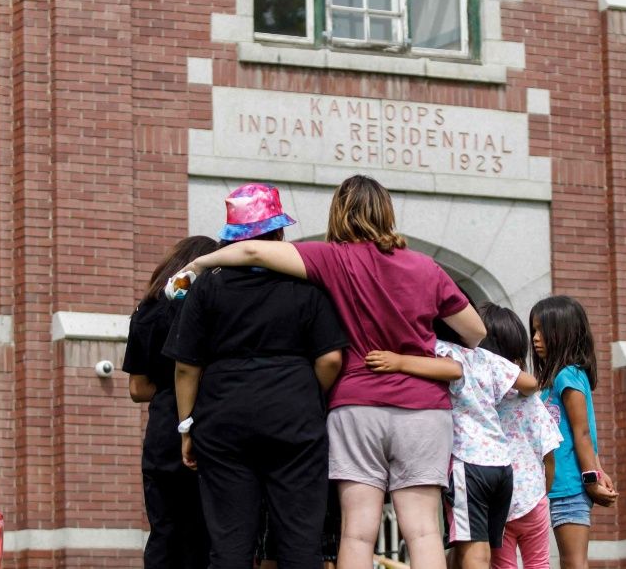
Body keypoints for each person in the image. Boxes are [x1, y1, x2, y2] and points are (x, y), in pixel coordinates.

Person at [186, 174, 487, 569]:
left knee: (356, 532)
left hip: (355, 407)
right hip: (423, 410)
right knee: (424, 531)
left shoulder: (331, 258)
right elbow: (476, 332)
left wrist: (199, 262)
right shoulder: (426, 267)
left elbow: (254, 254)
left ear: (339, 213)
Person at [164, 183, 348, 569]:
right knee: (300, 541)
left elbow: (186, 366)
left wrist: (186, 426)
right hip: (294, 418)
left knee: (230, 542)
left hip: (223, 417)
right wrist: (305, 394)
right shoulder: (306, 286)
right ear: (279, 233)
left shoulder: (208, 287)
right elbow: (331, 358)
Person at [364, 318, 537, 569]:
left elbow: (453, 369)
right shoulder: (487, 358)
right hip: (501, 464)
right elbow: (530, 384)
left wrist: (399, 362)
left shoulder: (440, 349)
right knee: (476, 551)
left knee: (474, 554)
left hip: (469, 464)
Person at [123, 235, 218, 569]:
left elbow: (137, 387)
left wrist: (166, 386)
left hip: (161, 435)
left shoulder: (146, 311)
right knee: (206, 536)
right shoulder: (206, 307)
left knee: (163, 531)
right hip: (204, 427)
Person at [528, 296, 617, 569]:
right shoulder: (552, 381)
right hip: (552, 487)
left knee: (574, 563)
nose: (535, 338)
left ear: (563, 333)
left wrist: (592, 480)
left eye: (543, 331)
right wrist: (600, 471)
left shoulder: (568, 375)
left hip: (570, 488)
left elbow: (582, 434)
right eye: (533, 330)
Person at [478, 303, 562, 569]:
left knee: (502, 566)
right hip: (533, 500)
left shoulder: (479, 403)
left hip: (497, 503)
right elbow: (549, 455)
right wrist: (541, 493)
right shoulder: (530, 401)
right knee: (539, 564)